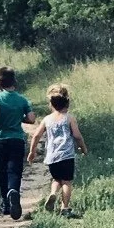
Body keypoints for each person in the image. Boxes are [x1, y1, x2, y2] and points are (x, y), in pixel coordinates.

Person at [26, 81, 88, 217]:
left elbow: (36, 135)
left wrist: (32, 152)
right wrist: (83, 148)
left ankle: (53, 193)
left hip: (52, 156)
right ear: (67, 103)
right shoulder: (69, 118)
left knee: (56, 180)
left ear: (51, 104)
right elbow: (77, 136)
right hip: (66, 156)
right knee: (66, 182)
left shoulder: (47, 119)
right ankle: (65, 208)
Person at [0, 65, 34, 219]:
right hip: (17, 139)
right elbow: (32, 119)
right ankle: (14, 191)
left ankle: (6, 204)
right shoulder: (22, 99)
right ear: (15, 81)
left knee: (2, 171)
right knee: (15, 170)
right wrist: (20, 118)